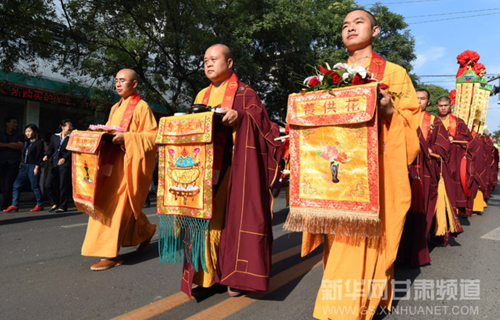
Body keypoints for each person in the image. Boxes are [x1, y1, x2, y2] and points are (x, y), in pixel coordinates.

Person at [301, 10, 420, 320]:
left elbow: (411, 125)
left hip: (376, 176)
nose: (350, 28)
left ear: (376, 30)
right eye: (345, 25)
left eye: (358, 23)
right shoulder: (329, 78)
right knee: (340, 243)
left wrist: (389, 109)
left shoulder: (394, 74)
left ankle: (351, 308)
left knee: (369, 242)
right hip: (338, 180)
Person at [176, 44, 280, 297]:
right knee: (201, 222)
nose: (208, 64)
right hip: (201, 170)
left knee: (227, 222)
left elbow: (268, 130)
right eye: (204, 60)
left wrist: (241, 117)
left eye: (214, 59)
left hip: (233, 168)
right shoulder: (201, 94)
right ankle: (207, 274)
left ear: (230, 62)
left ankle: (235, 273)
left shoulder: (245, 93)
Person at [81, 69, 157, 271]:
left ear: (134, 84)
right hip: (111, 164)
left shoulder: (141, 107)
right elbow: (110, 130)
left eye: (123, 80)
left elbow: (153, 137)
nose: (118, 84)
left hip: (128, 166)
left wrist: (128, 138)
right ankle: (145, 231)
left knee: (115, 209)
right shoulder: (115, 107)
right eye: (116, 80)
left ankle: (110, 254)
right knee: (115, 207)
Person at [396, 89, 451, 267]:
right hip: (401, 171)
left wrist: (430, 150)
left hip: (424, 173)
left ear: (428, 102)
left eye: (422, 99)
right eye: (416, 98)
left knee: (422, 211)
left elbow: (444, 147)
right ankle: (397, 250)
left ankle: (416, 251)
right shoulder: (401, 118)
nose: (418, 101)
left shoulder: (434, 122)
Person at [436, 96, 473, 217]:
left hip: (453, 159)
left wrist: (454, 139)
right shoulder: (433, 121)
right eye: (440, 106)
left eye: (445, 105)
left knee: (452, 184)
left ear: (450, 106)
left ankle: (452, 211)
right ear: (436, 107)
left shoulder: (458, 122)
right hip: (437, 158)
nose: (443, 108)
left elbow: (469, 139)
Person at [4, 124, 45, 212]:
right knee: (16, 185)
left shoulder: (39, 142)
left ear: (35, 132)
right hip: (25, 166)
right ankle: (14, 204)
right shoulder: (28, 142)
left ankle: (40, 204)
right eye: (26, 131)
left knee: (34, 186)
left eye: (29, 131)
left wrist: (37, 167)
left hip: (33, 166)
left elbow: (39, 156)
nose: (27, 133)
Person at [43, 119, 73, 212]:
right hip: (54, 163)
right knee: (48, 184)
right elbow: (51, 148)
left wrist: (65, 158)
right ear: (63, 127)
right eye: (69, 126)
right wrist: (47, 155)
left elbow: (72, 150)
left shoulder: (72, 137)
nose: (71, 128)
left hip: (65, 164)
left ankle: (63, 206)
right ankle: (54, 202)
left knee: (63, 185)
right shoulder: (55, 137)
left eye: (71, 126)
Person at [0, 115, 25, 210]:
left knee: (8, 182)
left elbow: (19, 146)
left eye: (16, 122)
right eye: (13, 122)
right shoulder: (1, 134)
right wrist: (10, 145)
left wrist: (4, 145)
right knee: (2, 183)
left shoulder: (19, 135)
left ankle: (5, 204)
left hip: (13, 162)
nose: (15, 124)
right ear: (7, 123)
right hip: (2, 161)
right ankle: (8, 201)